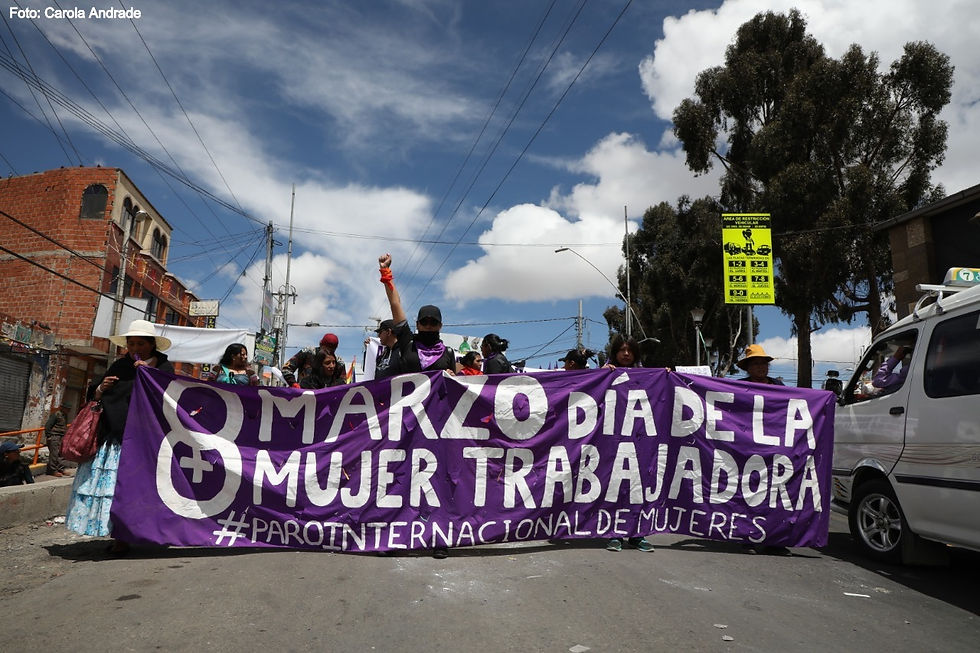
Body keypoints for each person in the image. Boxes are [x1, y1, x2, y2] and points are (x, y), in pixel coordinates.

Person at [65, 319, 175, 556]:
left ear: (152, 345)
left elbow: (169, 398)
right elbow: (99, 395)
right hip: (116, 440)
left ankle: (151, 532)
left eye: (141, 343)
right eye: (131, 343)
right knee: (118, 489)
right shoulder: (119, 366)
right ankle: (120, 537)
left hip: (148, 441)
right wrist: (101, 388)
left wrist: (149, 375)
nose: (135, 348)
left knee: (145, 489)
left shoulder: (165, 369)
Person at [377, 253, 455, 558]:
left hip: (437, 426)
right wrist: (387, 274)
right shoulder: (407, 341)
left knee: (436, 480)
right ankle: (395, 535)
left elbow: (466, 389)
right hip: (405, 421)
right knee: (399, 476)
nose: (428, 325)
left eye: (433, 321)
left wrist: (451, 378)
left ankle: (438, 536)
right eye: (424, 321)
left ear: (441, 324)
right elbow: (395, 304)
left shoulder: (449, 353)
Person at [601, 333, 654, 553]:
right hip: (611, 441)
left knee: (638, 488)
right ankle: (614, 534)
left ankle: (637, 535)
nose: (625, 354)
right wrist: (600, 375)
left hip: (640, 442)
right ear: (614, 352)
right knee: (614, 488)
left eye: (629, 350)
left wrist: (667, 376)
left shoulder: (648, 377)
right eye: (621, 350)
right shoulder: (604, 374)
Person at [736, 343, 790, 555]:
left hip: (775, 451)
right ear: (747, 368)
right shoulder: (737, 389)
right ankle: (748, 537)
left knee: (774, 495)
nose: (760, 367)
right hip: (746, 450)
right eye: (755, 363)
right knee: (748, 493)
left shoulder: (781, 388)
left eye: (763, 363)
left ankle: (774, 540)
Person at [43, 401, 70, 477]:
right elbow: (48, 426)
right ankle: (52, 470)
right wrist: (49, 436)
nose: (68, 411)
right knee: (54, 454)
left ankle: (60, 469)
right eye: (67, 409)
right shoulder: (56, 414)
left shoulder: (64, 416)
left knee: (61, 454)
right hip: (55, 436)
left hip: (61, 436)